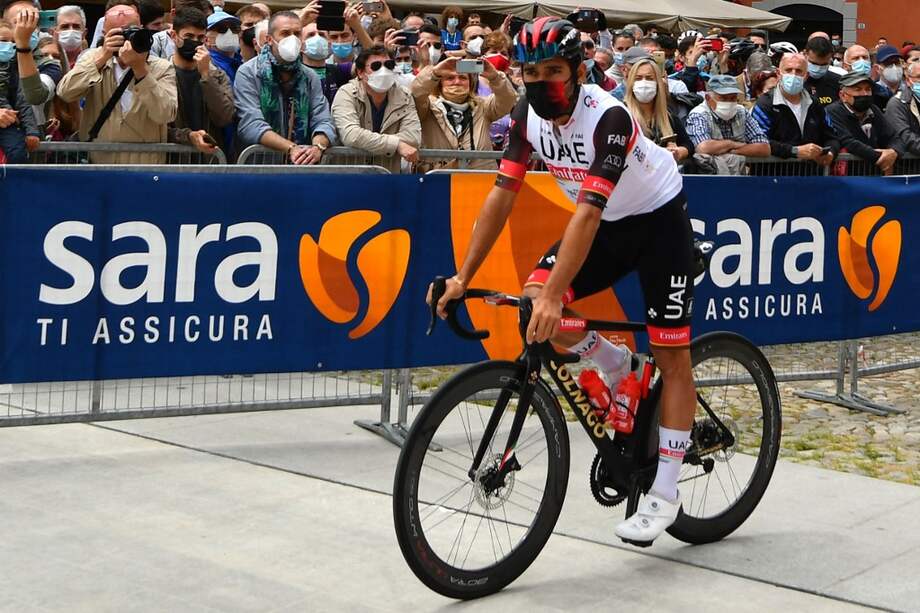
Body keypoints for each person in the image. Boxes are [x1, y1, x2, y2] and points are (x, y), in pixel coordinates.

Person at [432, 17, 697, 547]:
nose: (540, 81)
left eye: (553, 70)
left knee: (670, 356)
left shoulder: (610, 118)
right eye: (531, 71)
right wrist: (464, 276)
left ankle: (665, 492)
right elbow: (501, 195)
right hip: (607, 225)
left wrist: (559, 294)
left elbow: (588, 212)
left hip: (659, 222)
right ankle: (615, 362)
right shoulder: (528, 114)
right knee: (535, 308)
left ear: (578, 71)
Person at [56, 1, 177, 163]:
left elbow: (165, 113)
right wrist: (102, 57)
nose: (125, 38)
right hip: (100, 164)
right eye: (117, 33)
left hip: (146, 165)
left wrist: (140, 69)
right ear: (104, 34)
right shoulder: (92, 59)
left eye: (130, 31)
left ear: (141, 30)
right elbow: (66, 93)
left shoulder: (162, 67)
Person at [233, 10, 335, 163]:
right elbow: (250, 124)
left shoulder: (309, 76)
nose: (292, 39)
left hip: (301, 166)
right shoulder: (249, 72)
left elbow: (323, 119)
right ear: (269, 39)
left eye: (297, 33)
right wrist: (291, 148)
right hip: (258, 167)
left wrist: (317, 147)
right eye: (285, 33)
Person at [411, 55, 515, 171]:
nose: (457, 82)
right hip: (439, 180)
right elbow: (416, 94)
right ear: (440, 83)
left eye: (463, 78)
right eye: (450, 78)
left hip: (479, 179)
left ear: (470, 83)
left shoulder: (483, 107)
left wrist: (495, 77)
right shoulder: (427, 107)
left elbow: (508, 99)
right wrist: (434, 73)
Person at [331, 45, 421, 173]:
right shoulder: (347, 93)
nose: (383, 71)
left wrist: (371, 142)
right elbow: (351, 135)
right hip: (349, 177)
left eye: (389, 65)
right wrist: (397, 145)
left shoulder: (404, 95)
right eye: (376, 66)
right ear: (360, 72)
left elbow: (413, 137)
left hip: (387, 175)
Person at [167, 7, 233, 156]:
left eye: (200, 37)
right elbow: (156, 128)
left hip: (209, 161)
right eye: (189, 36)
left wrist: (206, 75)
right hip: (171, 163)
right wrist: (188, 137)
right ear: (174, 36)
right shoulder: (161, 73)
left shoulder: (217, 75)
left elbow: (224, 117)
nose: (194, 42)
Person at [752, 53, 838, 166]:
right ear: (778, 73)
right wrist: (794, 151)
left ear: (806, 75)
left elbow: (831, 136)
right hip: (772, 176)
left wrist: (830, 153)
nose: (793, 75)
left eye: (798, 71)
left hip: (810, 176)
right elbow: (759, 141)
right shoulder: (765, 104)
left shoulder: (814, 104)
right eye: (788, 70)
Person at [685, 74, 770, 173]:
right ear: (708, 98)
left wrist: (732, 151)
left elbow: (764, 148)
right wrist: (732, 144)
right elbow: (703, 147)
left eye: (733, 98)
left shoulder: (741, 112)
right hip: (707, 180)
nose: (729, 102)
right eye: (723, 98)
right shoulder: (698, 114)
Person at [826, 71, 902, 175]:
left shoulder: (874, 110)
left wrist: (893, 152)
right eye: (858, 90)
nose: (865, 94)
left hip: (874, 175)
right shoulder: (832, 111)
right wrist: (881, 157)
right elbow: (847, 141)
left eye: (868, 89)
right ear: (843, 95)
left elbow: (893, 136)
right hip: (847, 177)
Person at [4, 0, 64, 126]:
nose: (27, 27)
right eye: (19, 22)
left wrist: (23, 46)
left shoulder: (49, 64)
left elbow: (36, 96)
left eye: (33, 22)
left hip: (30, 138)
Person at [623, 58, 693, 163]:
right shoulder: (621, 114)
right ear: (631, 83)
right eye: (638, 78)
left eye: (649, 78)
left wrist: (679, 152)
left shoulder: (668, 116)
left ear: (658, 83)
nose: (644, 83)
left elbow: (688, 145)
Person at [0, 17, 40, 162]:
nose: (8, 46)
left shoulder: (17, 69)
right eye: (3, 41)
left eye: (13, 43)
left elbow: (24, 101)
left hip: (8, 125)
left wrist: (32, 132)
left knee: (18, 154)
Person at [885, 61, 920, 156]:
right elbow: (905, 137)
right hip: (907, 167)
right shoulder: (897, 103)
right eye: (918, 77)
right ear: (908, 81)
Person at [803, 36, 839, 108]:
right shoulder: (793, 81)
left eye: (824, 64)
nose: (818, 69)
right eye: (814, 64)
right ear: (805, 55)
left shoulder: (838, 82)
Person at [205, 10, 240, 83]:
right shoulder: (208, 65)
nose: (230, 33)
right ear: (206, 39)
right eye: (222, 29)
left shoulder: (240, 63)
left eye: (234, 28)